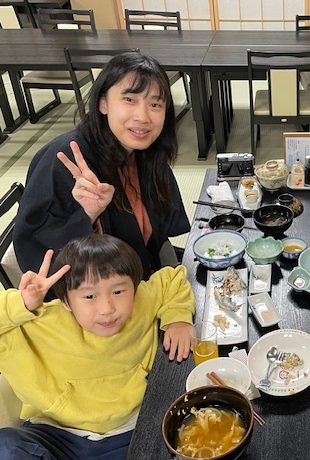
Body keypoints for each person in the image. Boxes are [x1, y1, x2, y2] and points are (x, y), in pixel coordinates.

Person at [0, 234, 195, 459]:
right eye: (90, 296)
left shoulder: (141, 301)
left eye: (118, 292)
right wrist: (20, 304)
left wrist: (178, 319)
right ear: (66, 301)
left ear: (134, 288)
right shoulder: (39, 324)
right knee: (6, 445)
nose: (107, 309)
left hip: (132, 429)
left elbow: (172, 279)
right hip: (55, 433)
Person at [14, 51, 190, 281]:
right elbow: (36, 254)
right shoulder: (64, 159)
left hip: (143, 272)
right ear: (103, 103)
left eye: (155, 104)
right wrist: (87, 216)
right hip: (99, 291)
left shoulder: (145, 152)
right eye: (129, 100)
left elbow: (157, 234)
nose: (143, 116)